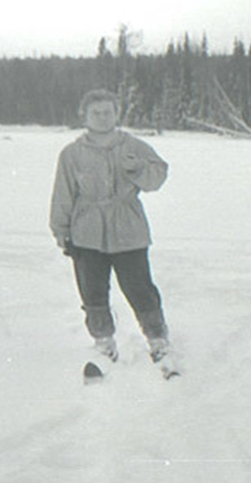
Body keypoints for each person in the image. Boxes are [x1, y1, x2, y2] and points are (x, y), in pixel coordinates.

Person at [50, 88, 174, 366]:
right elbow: (63, 193)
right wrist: (61, 229)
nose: (103, 117)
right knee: (92, 290)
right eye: (97, 112)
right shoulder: (71, 154)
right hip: (86, 231)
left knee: (139, 287)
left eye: (108, 112)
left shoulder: (134, 146)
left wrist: (139, 168)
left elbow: (157, 178)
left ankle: (158, 341)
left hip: (128, 228)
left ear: (117, 113)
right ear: (85, 115)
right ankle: (103, 342)